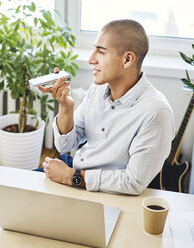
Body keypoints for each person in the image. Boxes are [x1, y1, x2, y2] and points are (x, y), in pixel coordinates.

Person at [37, 19, 175, 195]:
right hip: (76, 169)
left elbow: (133, 182)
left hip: (103, 190)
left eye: (101, 52)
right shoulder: (99, 87)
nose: (91, 59)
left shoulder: (156, 113)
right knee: (18, 192)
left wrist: (70, 176)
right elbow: (65, 146)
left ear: (127, 59)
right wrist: (66, 107)